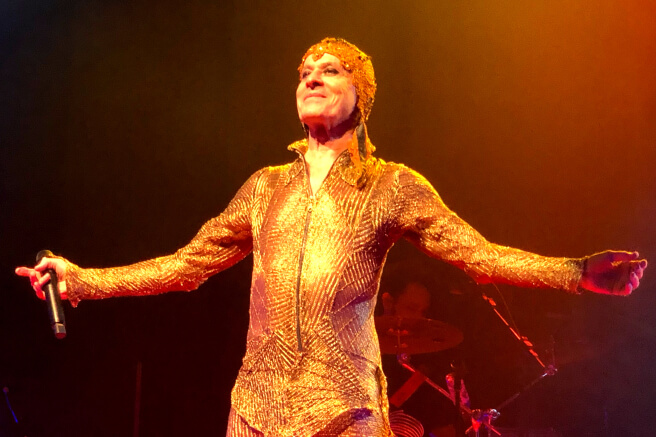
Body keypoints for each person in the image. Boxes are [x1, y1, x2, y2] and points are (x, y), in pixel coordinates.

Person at [15, 38, 647, 437]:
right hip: (256, 410)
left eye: (331, 70)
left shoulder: (392, 185)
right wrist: (82, 280)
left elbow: (477, 254)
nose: (312, 78)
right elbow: (185, 266)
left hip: (344, 412)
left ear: (362, 97)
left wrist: (576, 270)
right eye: (304, 72)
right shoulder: (264, 187)